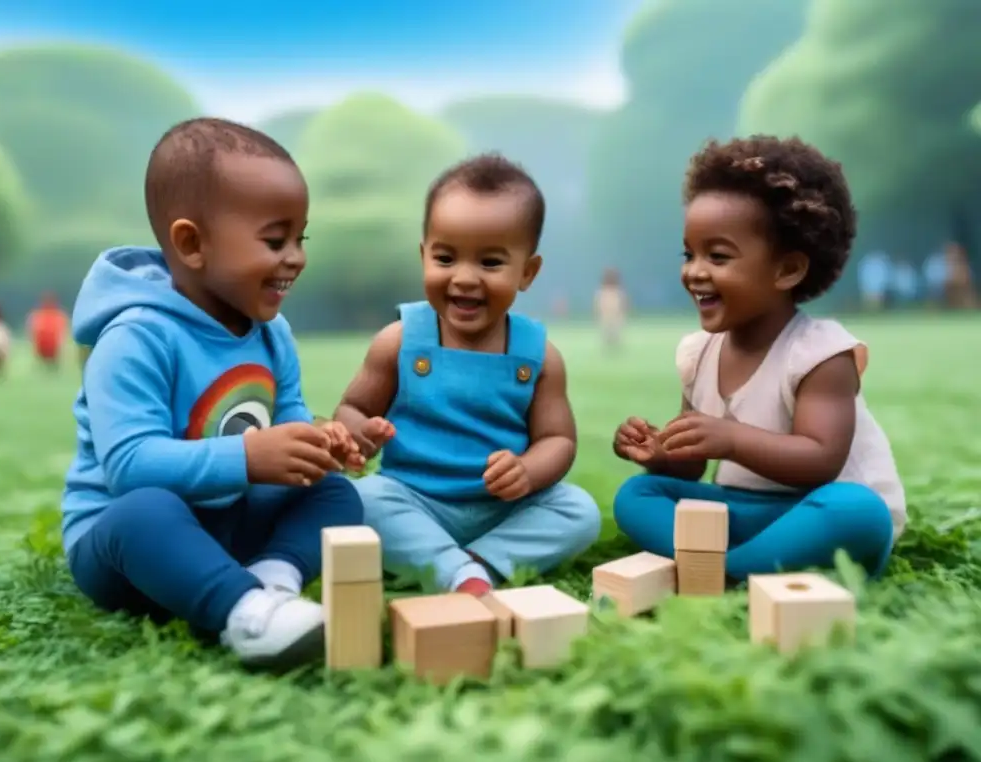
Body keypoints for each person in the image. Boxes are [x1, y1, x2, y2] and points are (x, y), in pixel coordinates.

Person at [60, 118, 365, 669]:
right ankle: (246, 614)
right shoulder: (136, 337)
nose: (295, 256)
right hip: (128, 547)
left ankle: (274, 577)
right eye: (275, 240)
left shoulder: (271, 331)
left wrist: (317, 443)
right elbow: (129, 467)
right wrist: (249, 456)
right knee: (146, 512)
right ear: (192, 244)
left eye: (301, 238)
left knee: (336, 496)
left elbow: (286, 418)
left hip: (228, 521)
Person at [612, 136, 905, 582]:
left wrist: (730, 438)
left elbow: (820, 458)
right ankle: (738, 563)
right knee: (637, 494)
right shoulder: (699, 354)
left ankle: (724, 567)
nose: (694, 271)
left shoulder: (820, 353)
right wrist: (660, 454)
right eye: (689, 253)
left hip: (818, 508)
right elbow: (693, 466)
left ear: (787, 270)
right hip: (745, 509)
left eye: (718, 256)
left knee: (859, 512)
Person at [333, 153, 601, 597]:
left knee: (578, 510)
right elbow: (353, 407)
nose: (464, 278)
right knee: (359, 500)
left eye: (490, 263)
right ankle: (459, 568)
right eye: (445, 258)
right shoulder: (400, 341)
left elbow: (558, 440)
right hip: (414, 499)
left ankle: (471, 566)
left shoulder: (538, 356)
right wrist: (361, 432)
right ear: (424, 257)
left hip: (503, 509)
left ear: (527, 273)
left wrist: (528, 472)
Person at [27, 292, 69, 367]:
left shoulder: (37, 316)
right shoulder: (59, 316)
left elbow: (33, 334)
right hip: (49, 350)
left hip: (47, 350)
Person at [594, 267, 627, 349]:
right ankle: (611, 343)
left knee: (613, 332)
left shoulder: (616, 291)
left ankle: (613, 343)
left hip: (614, 315)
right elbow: (599, 304)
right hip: (608, 315)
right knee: (609, 332)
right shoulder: (604, 291)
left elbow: (623, 303)